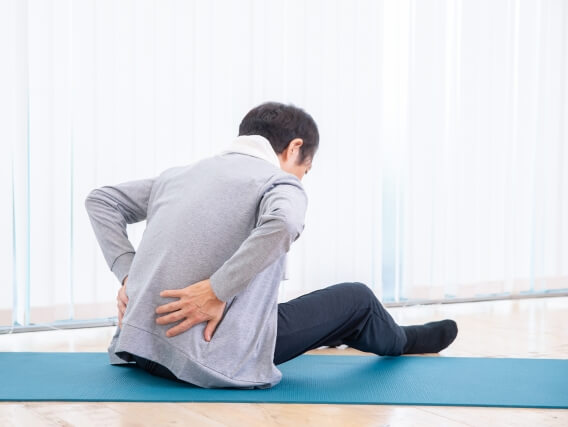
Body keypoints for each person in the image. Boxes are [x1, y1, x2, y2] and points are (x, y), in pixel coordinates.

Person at [85, 102, 458, 389]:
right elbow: (284, 222)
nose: (301, 178)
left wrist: (130, 277)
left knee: (287, 309)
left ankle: (343, 333)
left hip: (138, 349)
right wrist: (217, 290)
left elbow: (102, 200)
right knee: (357, 299)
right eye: (305, 170)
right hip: (206, 359)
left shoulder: (179, 176)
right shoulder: (277, 182)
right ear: (295, 148)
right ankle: (402, 339)